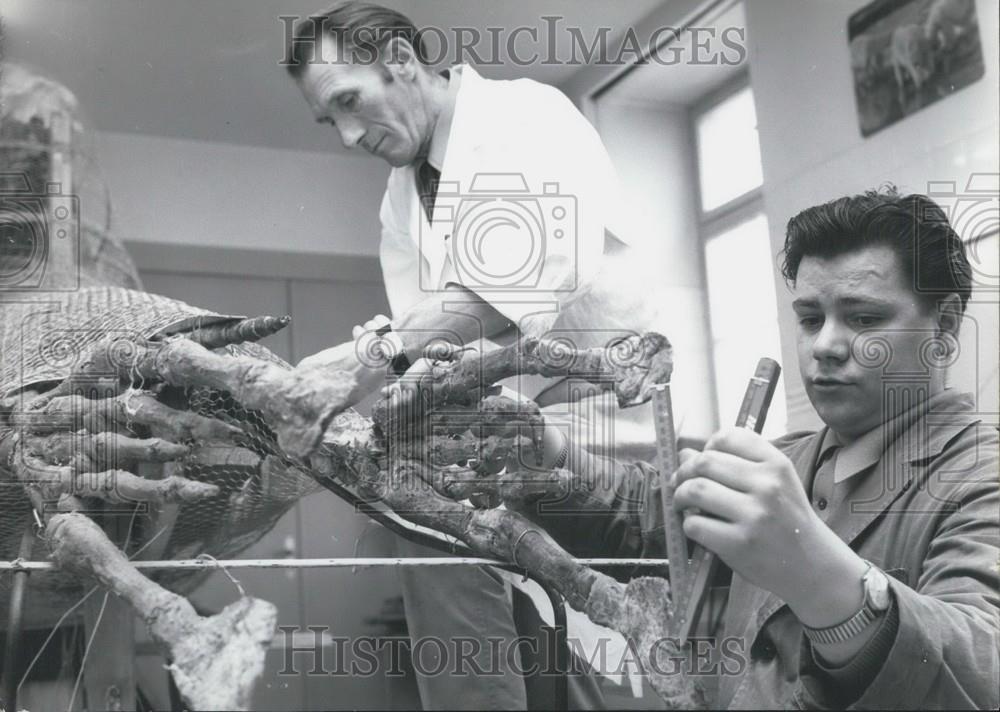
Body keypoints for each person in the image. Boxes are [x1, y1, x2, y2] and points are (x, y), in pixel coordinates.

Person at [285, 2, 658, 708]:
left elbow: (506, 291)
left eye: (348, 103)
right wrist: (393, 368)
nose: (346, 135)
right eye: (328, 119)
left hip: (598, 408)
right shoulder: (402, 199)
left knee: (605, 654)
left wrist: (362, 360)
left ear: (399, 59)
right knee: (416, 516)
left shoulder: (525, 118)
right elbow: (426, 347)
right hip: (507, 412)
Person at [502, 187, 999, 708]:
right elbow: (647, 513)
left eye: (864, 318)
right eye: (810, 319)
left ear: (943, 325)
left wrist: (822, 574)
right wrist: (544, 453)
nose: (825, 345)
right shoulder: (793, 459)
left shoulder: (979, 474)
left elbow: (982, 669)